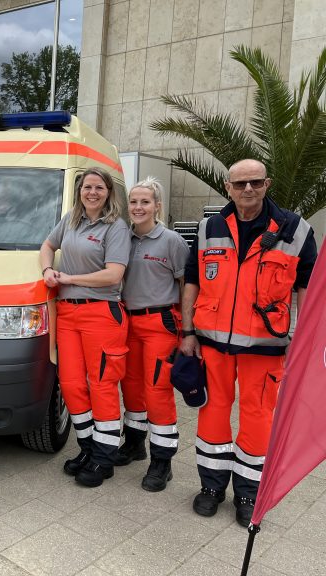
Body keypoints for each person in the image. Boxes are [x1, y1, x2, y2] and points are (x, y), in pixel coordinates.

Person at [180, 159, 317, 526]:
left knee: (258, 418)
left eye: (255, 182)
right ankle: (211, 487)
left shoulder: (295, 230)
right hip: (212, 345)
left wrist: (304, 341)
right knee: (212, 413)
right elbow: (192, 281)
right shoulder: (208, 228)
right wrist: (188, 332)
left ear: (267, 183)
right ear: (228, 187)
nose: (248, 189)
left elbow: (308, 287)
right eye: (240, 184)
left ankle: (248, 492)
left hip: (266, 348)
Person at [39, 167, 130, 488]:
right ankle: (88, 448)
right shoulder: (71, 220)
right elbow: (47, 246)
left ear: (108, 193)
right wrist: (47, 269)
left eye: (99, 187)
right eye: (87, 187)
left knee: (102, 384)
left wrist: (69, 278)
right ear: (79, 191)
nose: (92, 192)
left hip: (101, 313)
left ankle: (104, 458)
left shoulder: (116, 226)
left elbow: (113, 274)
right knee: (72, 383)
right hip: (68, 313)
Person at [119, 177, 189, 491]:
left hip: (160, 323)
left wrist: (187, 330)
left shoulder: (172, 241)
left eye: (145, 202)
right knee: (131, 387)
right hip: (127, 323)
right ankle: (135, 444)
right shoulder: (123, 238)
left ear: (157, 206)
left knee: (157, 391)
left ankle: (162, 461)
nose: (138, 207)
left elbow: (186, 286)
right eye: (134, 202)